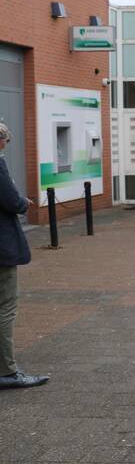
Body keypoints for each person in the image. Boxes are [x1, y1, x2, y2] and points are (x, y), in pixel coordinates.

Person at [0, 122, 48, 391]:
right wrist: (23, 202)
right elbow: (11, 201)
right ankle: (7, 371)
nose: (7, 145)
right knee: (6, 307)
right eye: (5, 140)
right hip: (2, 249)